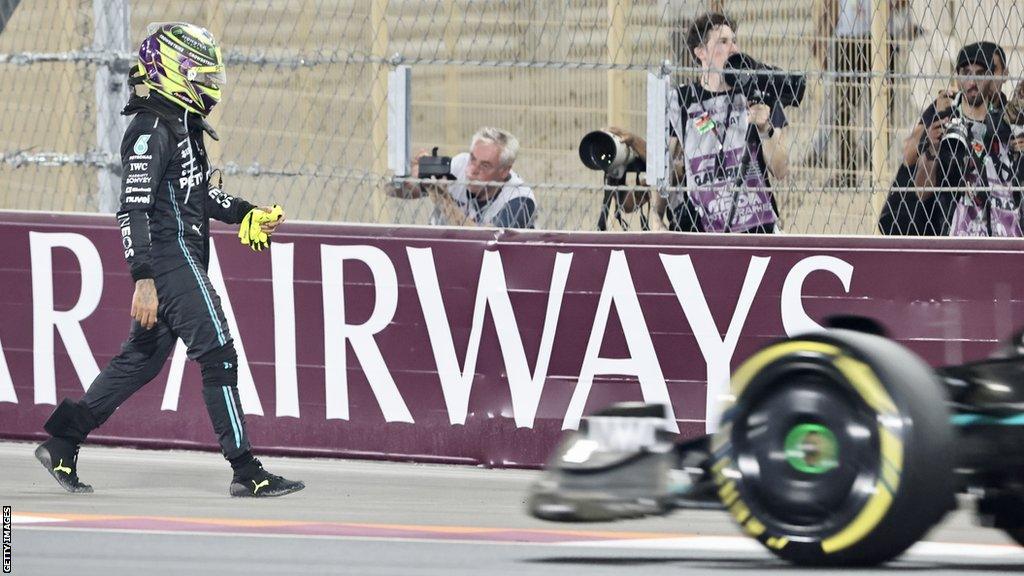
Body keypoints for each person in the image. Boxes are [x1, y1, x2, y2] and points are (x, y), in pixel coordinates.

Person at [34, 22, 305, 497]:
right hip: (170, 259)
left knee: (139, 360)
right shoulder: (150, 128)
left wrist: (246, 213)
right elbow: (131, 208)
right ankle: (247, 471)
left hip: (175, 258)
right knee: (218, 351)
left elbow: (197, 194)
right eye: (202, 75)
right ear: (175, 72)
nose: (212, 86)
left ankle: (63, 440)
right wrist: (143, 278)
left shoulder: (179, 123)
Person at [612, 12, 790, 233]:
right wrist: (657, 216)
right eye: (723, 42)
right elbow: (666, 166)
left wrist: (765, 128)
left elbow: (781, 170)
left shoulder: (759, 94)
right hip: (701, 228)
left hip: (756, 226)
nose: (733, 48)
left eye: (734, 41)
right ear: (701, 52)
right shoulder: (681, 101)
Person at [883, 41, 1009, 235]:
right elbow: (909, 155)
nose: (973, 81)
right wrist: (935, 128)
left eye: (982, 73)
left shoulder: (1009, 115)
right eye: (966, 73)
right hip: (946, 217)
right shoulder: (946, 106)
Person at [389, 127, 537, 229]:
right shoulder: (460, 164)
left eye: (485, 166)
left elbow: (487, 245)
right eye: (472, 159)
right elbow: (392, 191)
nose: (472, 170)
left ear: (504, 171)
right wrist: (410, 174)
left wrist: (443, 200)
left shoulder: (520, 199)